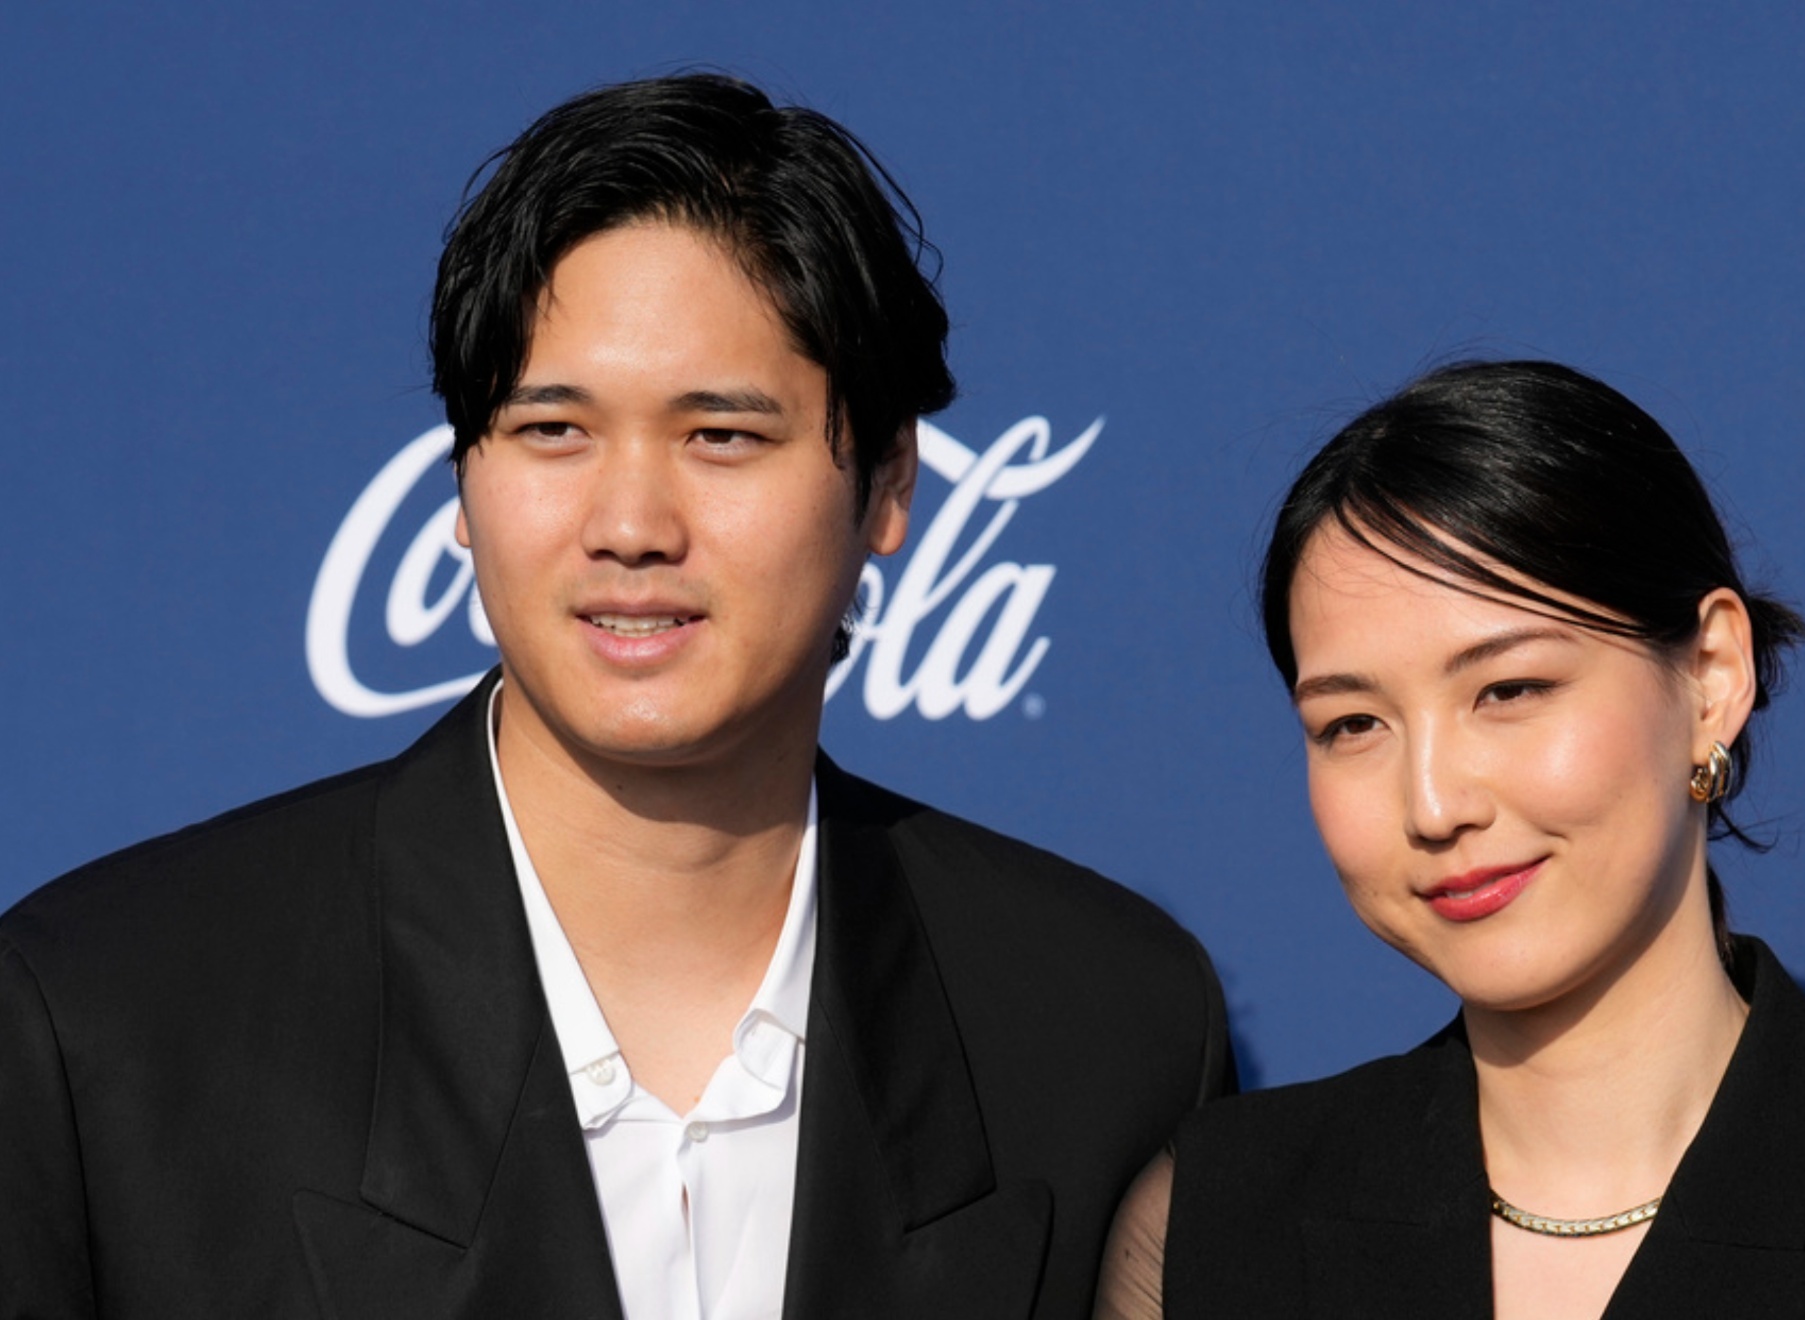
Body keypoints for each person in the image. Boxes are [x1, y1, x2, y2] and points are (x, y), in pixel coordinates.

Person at [0, 74, 1230, 1320]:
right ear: (465, 480)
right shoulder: (108, 1024)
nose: (631, 527)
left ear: (890, 480)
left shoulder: (1107, 1027)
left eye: (723, 437)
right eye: (553, 432)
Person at [1094, 360, 1805, 1318]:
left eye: (1509, 691)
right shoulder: (1218, 1219)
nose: (1433, 806)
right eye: (1353, 725)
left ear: (1713, 676)